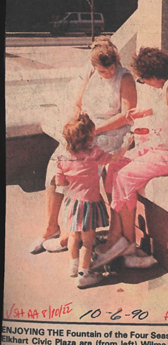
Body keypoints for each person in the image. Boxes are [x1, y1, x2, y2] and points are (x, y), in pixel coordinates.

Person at [91, 47, 168, 271]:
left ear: (153, 76)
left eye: (143, 79)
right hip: (167, 148)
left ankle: (126, 241)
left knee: (125, 177)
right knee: (115, 165)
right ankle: (115, 234)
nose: (143, 82)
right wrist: (141, 115)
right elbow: (163, 111)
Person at [30, 41, 136, 255]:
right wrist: (78, 126)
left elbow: (128, 115)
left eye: (111, 68)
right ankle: (52, 227)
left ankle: (72, 231)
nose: (108, 73)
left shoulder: (124, 78)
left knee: (81, 167)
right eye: (103, 70)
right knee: (56, 166)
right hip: (88, 129)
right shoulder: (90, 74)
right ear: (95, 67)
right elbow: (78, 104)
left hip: (111, 131)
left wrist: (95, 130)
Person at [54, 114, 127, 288]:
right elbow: (114, 158)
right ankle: (84, 274)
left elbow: (60, 182)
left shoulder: (62, 159)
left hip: (72, 203)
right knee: (87, 242)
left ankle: (73, 265)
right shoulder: (94, 153)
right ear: (89, 138)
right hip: (88, 203)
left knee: (73, 235)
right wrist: (126, 144)